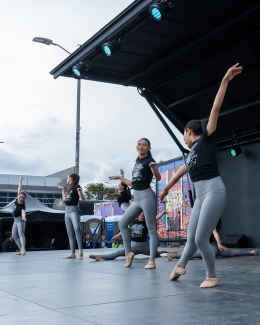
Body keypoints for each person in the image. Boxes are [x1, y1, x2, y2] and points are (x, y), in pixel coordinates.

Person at [160, 64, 243, 288]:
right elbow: (179, 173)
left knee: (199, 238)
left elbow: (215, 108)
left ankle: (212, 276)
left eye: (184, 135)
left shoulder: (205, 139)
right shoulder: (192, 155)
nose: (184, 139)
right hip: (201, 196)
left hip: (215, 191)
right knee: (190, 236)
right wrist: (166, 188)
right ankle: (181, 265)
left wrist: (225, 80)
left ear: (188, 131)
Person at [109, 138, 161, 269]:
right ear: (136, 147)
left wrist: (154, 168)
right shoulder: (137, 162)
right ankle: (128, 252)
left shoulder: (150, 161)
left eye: (145, 145)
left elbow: (158, 177)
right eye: (139, 144)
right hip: (137, 199)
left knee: (151, 229)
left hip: (147, 196)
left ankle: (152, 260)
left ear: (149, 148)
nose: (141, 147)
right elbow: (133, 183)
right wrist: (120, 178)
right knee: (122, 223)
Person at [163, 202, 259, 260]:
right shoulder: (211, 218)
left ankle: (173, 256)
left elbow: (215, 233)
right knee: (229, 253)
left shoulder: (211, 220)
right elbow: (199, 214)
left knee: (196, 255)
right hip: (210, 246)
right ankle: (250, 252)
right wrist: (187, 207)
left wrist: (219, 243)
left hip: (211, 248)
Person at [89, 210, 169, 261]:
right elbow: (124, 231)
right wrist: (116, 236)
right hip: (133, 247)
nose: (142, 214)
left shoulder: (147, 222)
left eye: (143, 212)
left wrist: (162, 213)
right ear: (137, 214)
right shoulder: (132, 222)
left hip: (144, 247)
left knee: (158, 254)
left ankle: (169, 252)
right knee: (118, 253)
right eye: (140, 212)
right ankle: (100, 257)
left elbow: (155, 218)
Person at [58, 173, 85, 259]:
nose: (67, 179)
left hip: (74, 210)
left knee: (77, 228)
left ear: (71, 179)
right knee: (70, 232)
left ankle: (80, 250)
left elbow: (83, 199)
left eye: (68, 178)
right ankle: (72, 253)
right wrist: (63, 190)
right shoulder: (68, 189)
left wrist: (80, 192)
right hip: (67, 211)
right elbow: (64, 200)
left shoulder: (77, 186)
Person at [12, 175, 27, 256]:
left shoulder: (22, 206)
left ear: (24, 199)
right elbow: (19, 188)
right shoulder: (16, 199)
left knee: (21, 234)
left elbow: (23, 211)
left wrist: (24, 216)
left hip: (20, 220)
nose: (21, 199)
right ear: (17, 196)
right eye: (20, 197)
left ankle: (23, 248)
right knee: (14, 236)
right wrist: (20, 180)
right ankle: (21, 249)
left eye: (22, 198)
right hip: (15, 221)